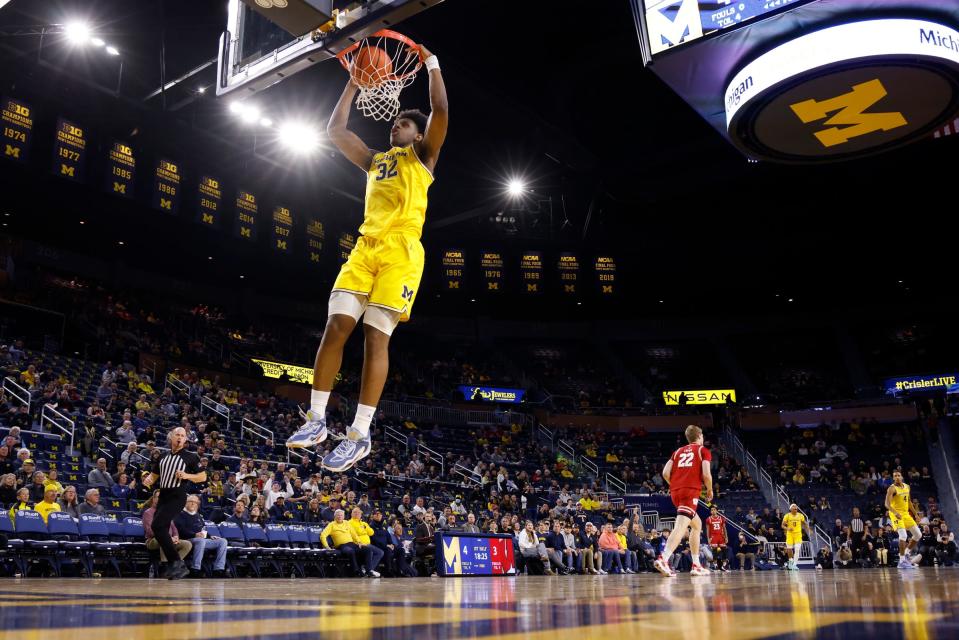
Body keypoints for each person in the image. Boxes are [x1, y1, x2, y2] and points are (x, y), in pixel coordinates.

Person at [285, 41, 449, 476]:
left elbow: (440, 112)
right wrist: (353, 84)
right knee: (336, 325)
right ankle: (317, 420)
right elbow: (336, 132)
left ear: (418, 134)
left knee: (376, 338)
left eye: (402, 124)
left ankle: (359, 433)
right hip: (365, 249)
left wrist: (432, 65)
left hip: (402, 252)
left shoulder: (423, 157)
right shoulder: (376, 161)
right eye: (394, 122)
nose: (394, 127)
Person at [141, 427, 206, 580]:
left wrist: (186, 475)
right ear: (171, 437)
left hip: (177, 495)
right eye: (177, 434)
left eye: (183, 436)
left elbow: (202, 477)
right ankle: (175, 564)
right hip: (163, 494)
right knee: (159, 529)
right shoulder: (162, 456)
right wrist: (149, 480)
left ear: (185, 440)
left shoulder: (190, 457)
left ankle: (177, 562)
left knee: (157, 525)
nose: (180, 437)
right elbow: (154, 475)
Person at [654, 425, 712, 577]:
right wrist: (710, 490)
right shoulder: (702, 450)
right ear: (699, 436)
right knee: (680, 526)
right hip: (690, 491)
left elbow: (665, 472)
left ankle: (696, 564)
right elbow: (706, 475)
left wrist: (675, 485)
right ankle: (663, 558)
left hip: (675, 492)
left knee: (697, 525)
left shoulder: (678, 451)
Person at [175, 495, 228, 578]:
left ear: (197, 504)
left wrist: (210, 536)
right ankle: (195, 569)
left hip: (200, 539)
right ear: (185, 503)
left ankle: (218, 570)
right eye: (190, 501)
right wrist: (194, 535)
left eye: (195, 502)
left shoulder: (198, 516)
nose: (193, 503)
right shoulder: (180, 514)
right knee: (200, 540)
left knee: (223, 541)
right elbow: (180, 530)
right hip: (186, 539)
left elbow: (202, 529)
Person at [142, 490, 192, 565]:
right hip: (152, 540)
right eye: (158, 497)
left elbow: (174, 528)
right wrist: (167, 537)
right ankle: (165, 565)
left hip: (170, 539)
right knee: (165, 540)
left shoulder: (165, 512)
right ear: (154, 499)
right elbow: (150, 531)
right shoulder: (148, 513)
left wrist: (176, 537)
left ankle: (175, 564)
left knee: (187, 544)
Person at [885, 470, 922, 568]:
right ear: (893, 478)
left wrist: (916, 515)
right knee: (903, 535)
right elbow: (887, 504)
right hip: (895, 514)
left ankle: (906, 553)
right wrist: (895, 513)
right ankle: (901, 561)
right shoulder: (892, 489)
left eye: (898, 475)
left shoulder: (907, 486)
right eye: (895, 476)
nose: (897, 477)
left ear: (901, 477)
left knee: (918, 534)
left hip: (905, 514)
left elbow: (909, 502)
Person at [348, 507, 384, 577]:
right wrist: (363, 531)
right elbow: (354, 533)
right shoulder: (349, 523)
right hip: (358, 544)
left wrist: (365, 528)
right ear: (351, 514)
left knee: (380, 552)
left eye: (358, 513)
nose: (357, 514)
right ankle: (369, 570)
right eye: (355, 512)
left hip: (367, 543)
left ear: (361, 515)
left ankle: (367, 569)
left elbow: (371, 532)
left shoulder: (364, 523)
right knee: (372, 551)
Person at [781, 503, 812, 571]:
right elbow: (782, 525)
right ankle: (791, 561)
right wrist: (787, 528)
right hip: (790, 534)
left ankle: (794, 564)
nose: (796, 508)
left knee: (797, 549)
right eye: (794, 508)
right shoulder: (787, 515)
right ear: (791, 509)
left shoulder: (800, 515)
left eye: (796, 508)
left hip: (798, 534)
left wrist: (809, 529)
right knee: (789, 549)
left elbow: (804, 523)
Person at [705, 506, 729, 571]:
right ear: (710, 511)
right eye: (712, 510)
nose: (713, 511)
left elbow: (724, 528)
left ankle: (723, 566)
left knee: (724, 550)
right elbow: (707, 530)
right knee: (714, 552)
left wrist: (726, 537)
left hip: (721, 536)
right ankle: (715, 566)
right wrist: (708, 538)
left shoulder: (721, 518)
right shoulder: (708, 519)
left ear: (717, 511)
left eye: (714, 510)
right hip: (713, 536)